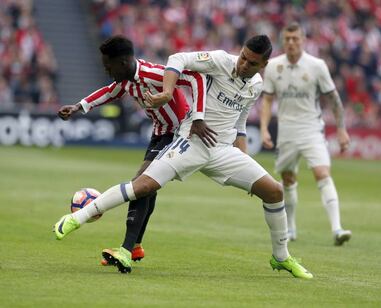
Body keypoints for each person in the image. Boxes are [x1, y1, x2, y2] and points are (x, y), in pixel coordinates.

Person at [54, 35, 313, 279]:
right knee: (143, 185)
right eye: (243, 57)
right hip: (192, 141)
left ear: (264, 65)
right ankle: (77, 219)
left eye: (252, 62)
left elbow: (241, 121)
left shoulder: (256, 85)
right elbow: (178, 59)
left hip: (223, 150)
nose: (243, 64)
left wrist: (244, 157)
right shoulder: (221, 60)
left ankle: (281, 257)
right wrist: (168, 94)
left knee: (275, 192)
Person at [57, 35, 207, 266]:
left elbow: (194, 77)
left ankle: (126, 250)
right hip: (159, 133)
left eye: (109, 67)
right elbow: (109, 91)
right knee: (148, 189)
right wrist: (79, 106)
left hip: (178, 133)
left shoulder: (154, 74)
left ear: (124, 63)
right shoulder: (125, 80)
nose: (108, 71)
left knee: (140, 184)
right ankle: (134, 247)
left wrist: (198, 116)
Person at [260, 22, 352, 245]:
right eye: (288, 39)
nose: (291, 43)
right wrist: (263, 128)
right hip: (287, 131)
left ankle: (337, 228)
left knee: (322, 173)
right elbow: (268, 99)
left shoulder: (317, 65)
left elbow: (333, 99)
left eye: (296, 39)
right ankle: (290, 228)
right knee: (288, 179)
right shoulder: (273, 66)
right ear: (283, 41)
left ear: (303, 40)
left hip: (311, 128)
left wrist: (341, 129)